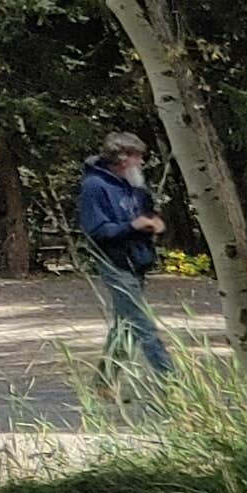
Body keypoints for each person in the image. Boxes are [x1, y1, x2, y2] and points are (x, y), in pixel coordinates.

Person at [76, 130, 173, 390]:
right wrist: (132, 226)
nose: (141, 162)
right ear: (122, 158)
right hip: (114, 262)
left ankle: (104, 383)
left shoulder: (134, 184)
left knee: (126, 326)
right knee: (144, 325)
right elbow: (96, 230)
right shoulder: (94, 187)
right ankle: (173, 386)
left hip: (137, 260)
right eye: (138, 157)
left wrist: (154, 222)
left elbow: (146, 212)